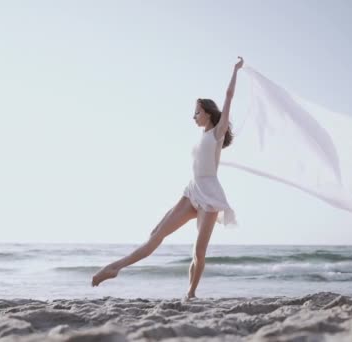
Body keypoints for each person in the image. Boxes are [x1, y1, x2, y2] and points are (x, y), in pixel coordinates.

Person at [91, 57, 244, 300]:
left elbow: (228, 96)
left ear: (207, 113)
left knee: (199, 251)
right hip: (192, 191)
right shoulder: (201, 136)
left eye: (196, 112)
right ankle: (115, 268)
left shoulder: (217, 132)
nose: (193, 116)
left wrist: (235, 70)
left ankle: (191, 294)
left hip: (210, 194)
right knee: (156, 233)